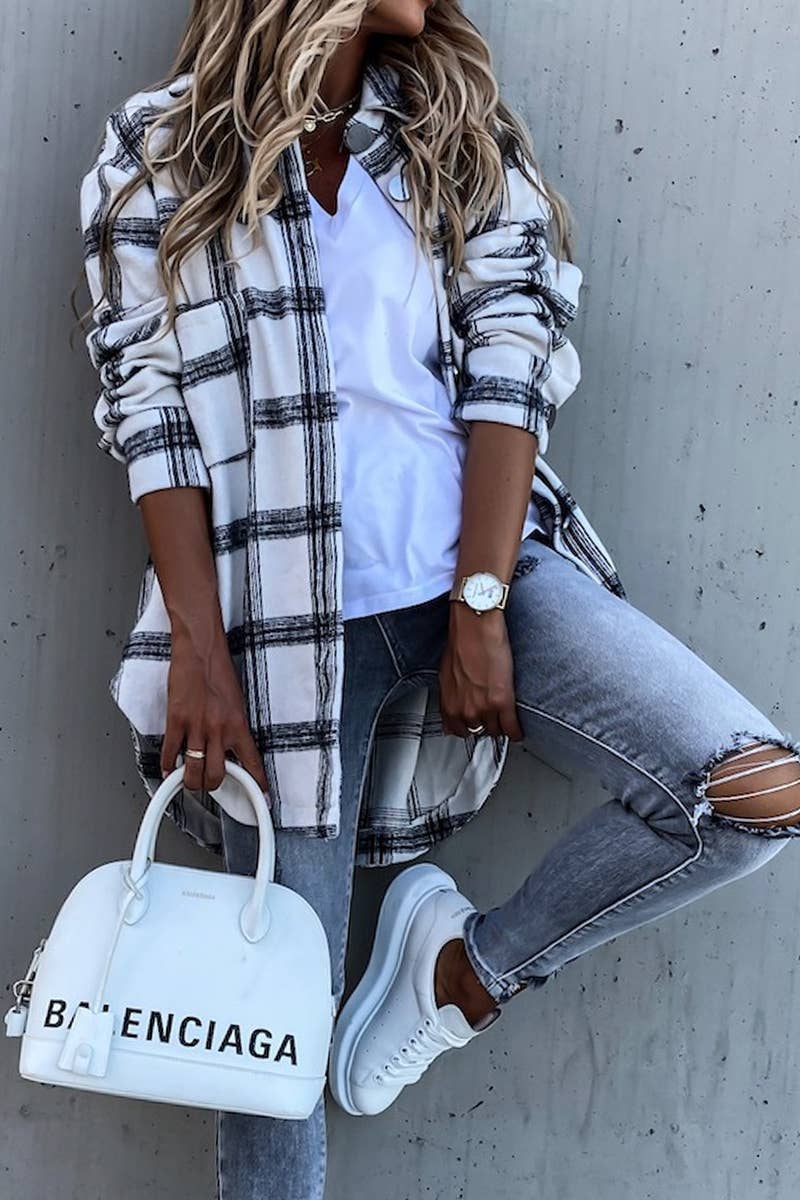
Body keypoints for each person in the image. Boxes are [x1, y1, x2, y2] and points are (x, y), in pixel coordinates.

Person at [77, 1, 800, 1196]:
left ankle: (463, 973)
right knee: (270, 1040)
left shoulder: (445, 130)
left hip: (487, 572)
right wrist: (198, 650)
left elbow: (515, 359)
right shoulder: (161, 147)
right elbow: (149, 410)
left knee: (748, 794)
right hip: (280, 634)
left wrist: (476, 603)